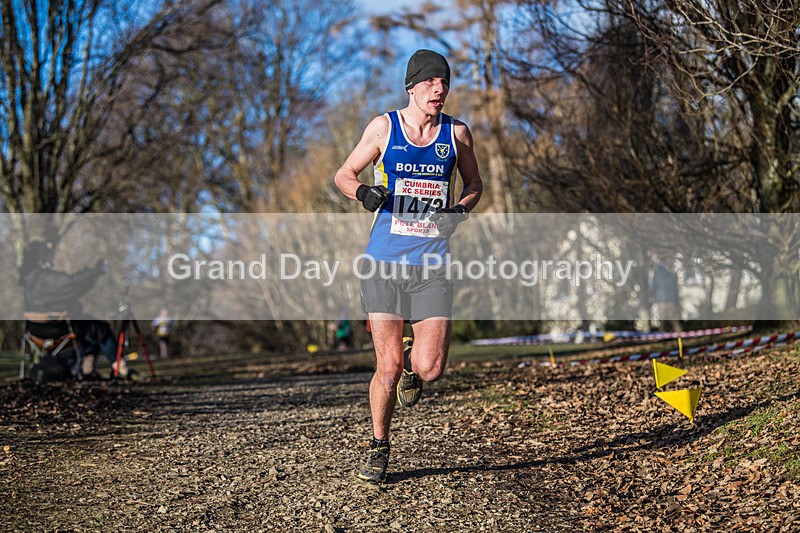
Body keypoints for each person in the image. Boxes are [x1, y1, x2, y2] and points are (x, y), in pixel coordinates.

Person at [334, 49, 483, 482]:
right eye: (433, 83)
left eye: (446, 83)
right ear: (413, 86)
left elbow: (474, 183)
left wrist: (459, 211)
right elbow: (344, 173)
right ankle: (379, 446)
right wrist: (362, 194)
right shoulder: (384, 127)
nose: (441, 90)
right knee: (387, 367)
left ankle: (413, 364)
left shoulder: (457, 133)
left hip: (432, 263)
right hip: (383, 262)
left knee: (431, 368)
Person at [19, 240, 134, 379]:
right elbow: (72, 282)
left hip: (34, 330)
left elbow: (72, 290)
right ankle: (120, 367)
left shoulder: (29, 280)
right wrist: (95, 271)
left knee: (89, 333)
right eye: (47, 253)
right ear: (40, 256)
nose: (51, 256)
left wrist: (92, 277)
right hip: (56, 327)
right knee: (101, 329)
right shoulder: (44, 278)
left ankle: (88, 369)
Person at [649, 255, 682, 332]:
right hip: (670, 300)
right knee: (673, 319)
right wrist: (676, 300)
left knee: (662, 321)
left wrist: (652, 297)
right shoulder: (671, 274)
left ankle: (661, 337)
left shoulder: (657, 274)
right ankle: (680, 335)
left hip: (661, 300)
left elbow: (653, 287)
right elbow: (675, 288)